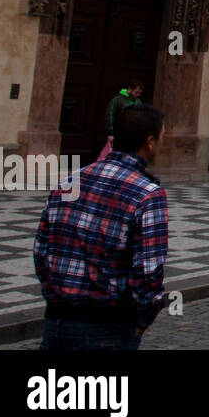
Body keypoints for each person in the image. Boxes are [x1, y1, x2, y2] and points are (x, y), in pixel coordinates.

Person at [34, 104, 168, 350]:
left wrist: (55, 299)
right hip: (107, 326)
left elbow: (42, 250)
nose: (162, 143)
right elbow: (148, 274)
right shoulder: (147, 194)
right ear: (150, 142)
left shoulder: (72, 179)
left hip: (56, 320)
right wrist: (142, 319)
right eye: (162, 137)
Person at [97, 80, 144, 162]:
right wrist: (111, 133)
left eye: (139, 93)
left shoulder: (138, 102)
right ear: (129, 89)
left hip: (133, 135)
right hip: (118, 134)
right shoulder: (117, 100)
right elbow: (110, 115)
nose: (138, 95)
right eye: (136, 92)